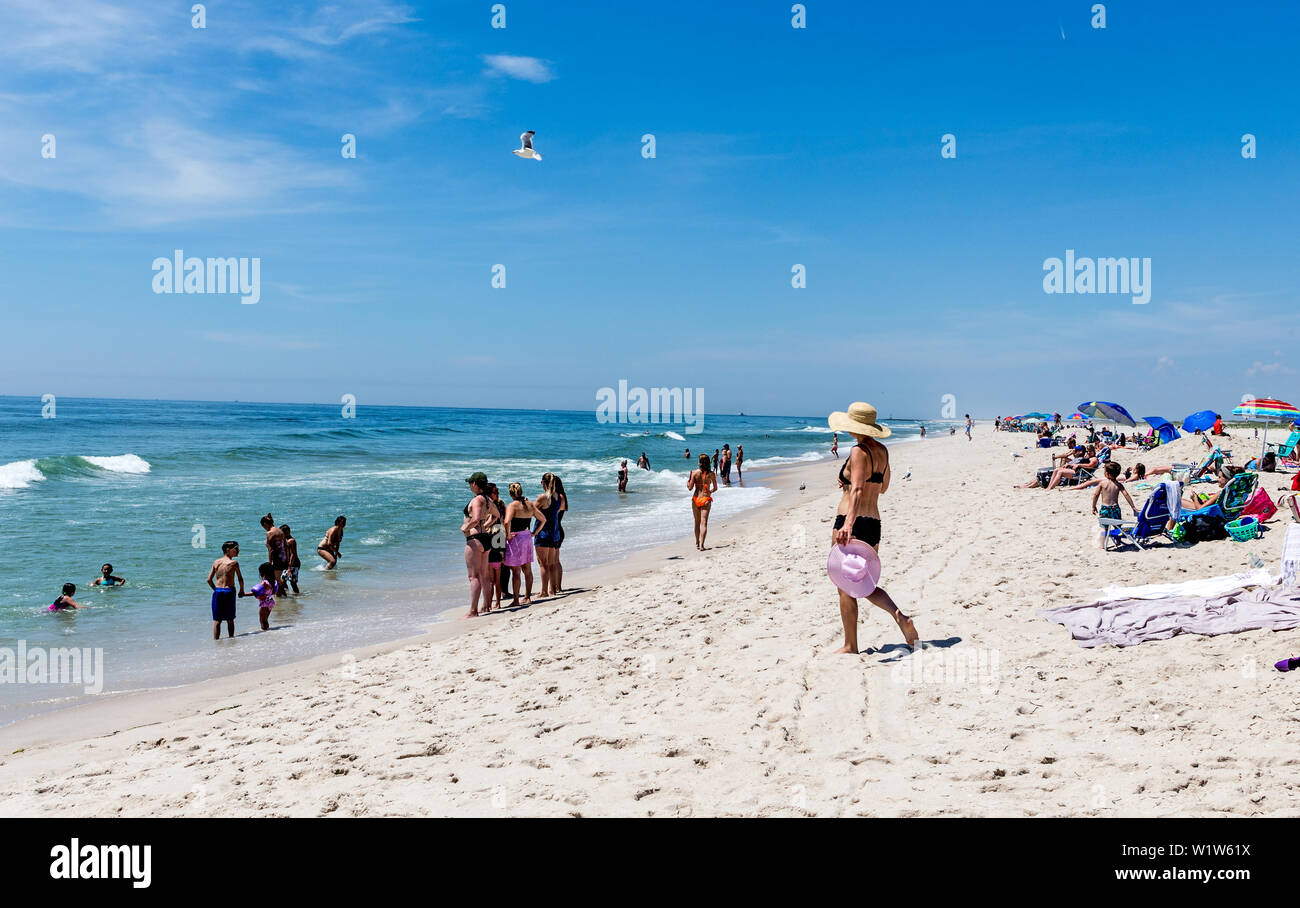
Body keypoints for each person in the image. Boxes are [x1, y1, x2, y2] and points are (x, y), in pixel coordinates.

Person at [827, 402, 919, 653]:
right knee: (863, 581)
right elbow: (882, 486)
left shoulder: (859, 451)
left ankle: (850, 645)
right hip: (874, 522)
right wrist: (849, 482)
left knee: (845, 586)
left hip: (851, 521)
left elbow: (857, 489)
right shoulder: (882, 451)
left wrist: (847, 523)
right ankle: (899, 616)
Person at [504, 482, 545, 606]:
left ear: (510, 493)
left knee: (516, 571)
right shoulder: (530, 504)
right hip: (526, 537)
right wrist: (534, 533)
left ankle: (516, 600)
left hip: (515, 538)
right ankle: (527, 597)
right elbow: (543, 519)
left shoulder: (512, 505)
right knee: (527, 569)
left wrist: (508, 534)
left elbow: (506, 522)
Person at [462, 472, 496, 617]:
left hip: (475, 539)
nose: (470, 485)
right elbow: (497, 515)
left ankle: (473, 610)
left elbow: (475, 518)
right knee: (484, 575)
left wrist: (466, 528)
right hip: (485, 538)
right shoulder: (488, 500)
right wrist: (487, 525)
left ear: (475, 484)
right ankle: (486, 606)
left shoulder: (476, 500)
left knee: (473, 576)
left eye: (470, 483)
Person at [534, 473, 567, 596]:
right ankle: (552, 589)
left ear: (544, 482)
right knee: (552, 563)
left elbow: (532, 510)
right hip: (555, 532)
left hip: (543, 533)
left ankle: (544, 591)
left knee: (543, 564)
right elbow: (556, 512)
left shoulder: (543, 497)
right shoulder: (559, 497)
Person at [206, 541, 244, 639]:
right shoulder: (234, 563)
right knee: (230, 619)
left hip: (218, 591)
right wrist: (241, 590)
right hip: (229, 591)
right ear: (228, 550)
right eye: (236, 549)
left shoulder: (216, 562)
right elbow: (240, 578)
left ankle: (216, 642)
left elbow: (209, 580)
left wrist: (216, 590)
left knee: (217, 621)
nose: (238, 551)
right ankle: (231, 640)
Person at [1092, 462, 1139, 541]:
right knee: (1118, 527)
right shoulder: (1118, 485)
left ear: (1107, 473)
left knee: (1104, 527)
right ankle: (1118, 541)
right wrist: (1133, 507)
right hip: (1115, 509)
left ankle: (1101, 545)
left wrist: (1093, 506)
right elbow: (1126, 495)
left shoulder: (1102, 483)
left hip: (1105, 509)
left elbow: (1096, 495)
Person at [485, 483, 508, 609]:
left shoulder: (497, 503)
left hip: (497, 536)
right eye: (495, 491)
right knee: (491, 578)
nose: (497, 493)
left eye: (497, 491)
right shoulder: (490, 503)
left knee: (495, 576)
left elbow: (504, 521)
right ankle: (490, 603)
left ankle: (496, 603)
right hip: (493, 536)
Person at [688, 453, 717, 550]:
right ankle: (702, 545)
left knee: (697, 522)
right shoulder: (711, 474)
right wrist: (710, 492)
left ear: (699, 462)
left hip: (696, 499)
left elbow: (690, 488)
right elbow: (715, 488)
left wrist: (689, 479)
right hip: (705, 499)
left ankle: (697, 542)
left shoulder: (694, 473)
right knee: (704, 523)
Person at [243, 562, 276, 631]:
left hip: (264, 603)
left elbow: (255, 593)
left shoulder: (264, 583)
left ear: (263, 573)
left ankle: (264, 631)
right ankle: (267, 631)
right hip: (270, 602)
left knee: (262, 620)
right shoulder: (273, 581)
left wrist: (244, 594)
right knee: (265, 619)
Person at [260, 514, 288, 589]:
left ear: (265, 524)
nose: (264, 528)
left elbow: (270, 549)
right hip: (284, 559)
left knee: (276, 580)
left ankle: (282, 597)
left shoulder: (269, 533)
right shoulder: (280, 531)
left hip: (277, 559)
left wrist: (270, 562)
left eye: (263, 526)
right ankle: (284, 597)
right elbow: (286, 546)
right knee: (278, 579)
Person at [279, 525, 301, 594]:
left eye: (282, 533)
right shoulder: (285, 540)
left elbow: (293, 554)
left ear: (287, 532)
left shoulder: (291, 541)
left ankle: (296, 597)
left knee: (293, 583)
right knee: (282, 580)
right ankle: (287, 594)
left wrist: (289, 567)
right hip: (287, 563)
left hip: (294, 563)